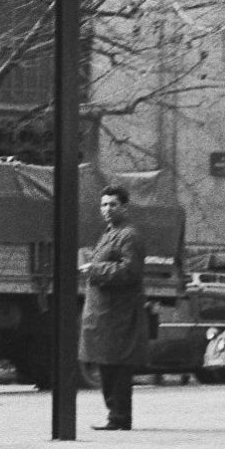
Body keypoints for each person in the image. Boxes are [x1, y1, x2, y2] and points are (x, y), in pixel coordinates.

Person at [82, 184, 148, 430]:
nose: (107, 209)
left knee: (117, 368)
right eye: (104, 204)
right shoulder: (109, 233)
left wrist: (95, 269)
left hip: (118, 314)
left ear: (124, 207)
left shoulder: (129, 235)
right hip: (104, 313)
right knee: (106, 366)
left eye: (113, 204)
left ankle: (119, 418)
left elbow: (130, 271)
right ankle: (115, 415)